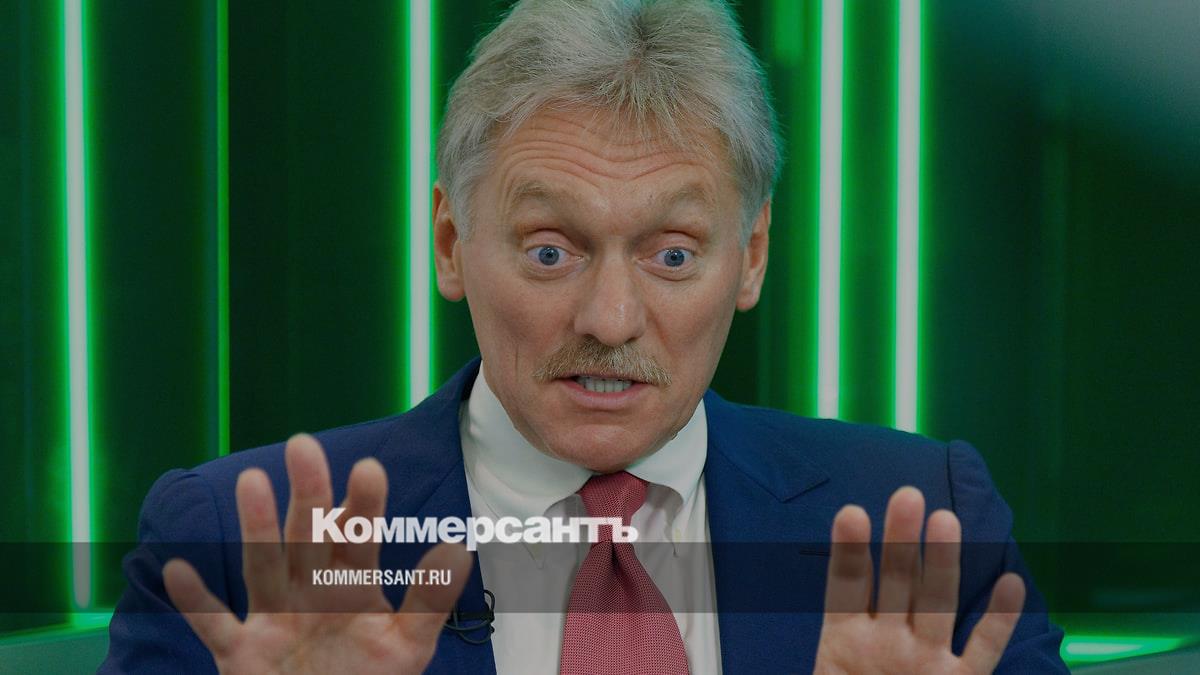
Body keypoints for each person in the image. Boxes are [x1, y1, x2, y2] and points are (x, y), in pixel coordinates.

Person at [101, 0, 1068, 672]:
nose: (609, 320)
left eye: (673, 255)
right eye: (551, 250)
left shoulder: (924, 527)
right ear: (450, 243)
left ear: (753, 257)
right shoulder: (238, 547)